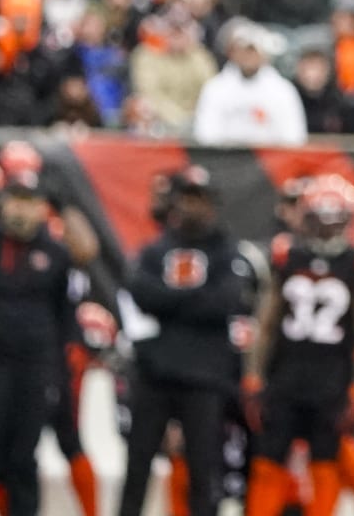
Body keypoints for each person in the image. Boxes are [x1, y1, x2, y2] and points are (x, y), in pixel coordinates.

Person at [118, 167, 257, 516]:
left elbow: (227, 301)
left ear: (212, 204)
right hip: (155, 373)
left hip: (205, 377)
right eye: (187, 198)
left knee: (204, 469)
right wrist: (194, 299)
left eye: (201, 199)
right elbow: (140, 293)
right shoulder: (156, 249)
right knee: (137, 466)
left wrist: (171, 301)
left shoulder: (228, 252)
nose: (193, 207)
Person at [245, 174, 354, 516]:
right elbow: (265, 324)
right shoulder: (285, 255)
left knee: (325, 464)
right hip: (287, 376)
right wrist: (253, 375)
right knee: (268, 463)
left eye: (332, 220)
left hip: (330, 380)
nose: (325, 228)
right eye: (318, 220)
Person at [0, 170, 73, 516]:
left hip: (34, 368)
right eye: (16, 200)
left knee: (23, 458)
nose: (22, 211)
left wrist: (58, 374)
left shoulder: (56, 254)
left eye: (30, 202)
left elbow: (63, 316)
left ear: (43, 208)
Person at [191, 19, 308, 146]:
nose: (248, 57)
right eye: (242, 51)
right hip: (225, 161)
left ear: (264, 55)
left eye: (252, 51)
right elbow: (206, 134)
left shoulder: (282, 90)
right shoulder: (215, 88)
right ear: (232, 53)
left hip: (271, 161)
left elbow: (293, 136)